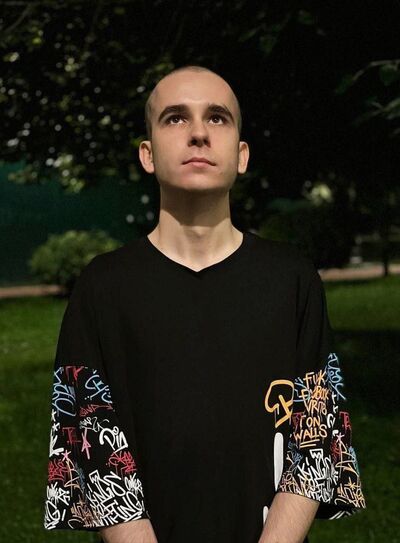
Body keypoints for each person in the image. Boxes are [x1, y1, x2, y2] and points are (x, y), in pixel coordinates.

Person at [43, 65, 366, 543]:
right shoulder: (102, 287)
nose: (198, 133)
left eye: (217, 118)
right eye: (176, 118)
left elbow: (317, 437)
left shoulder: (291, 279)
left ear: (242, 155)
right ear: (147, 154)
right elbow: (92, 452)